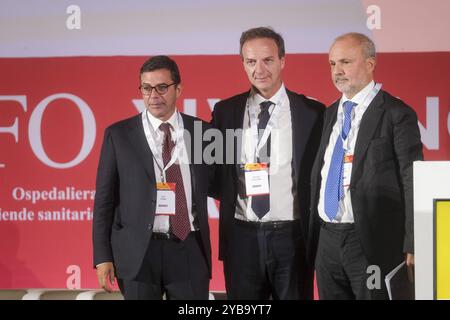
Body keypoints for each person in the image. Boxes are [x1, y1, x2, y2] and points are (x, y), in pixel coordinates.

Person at [210, 27, 324, 299]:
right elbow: (214, 175)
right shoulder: (225, 112)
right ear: (243, 64)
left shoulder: (312, 112)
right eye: (251, 61)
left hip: (292, 237)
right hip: (241, 238)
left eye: (268, 60)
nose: (259, 69)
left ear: (283, 60)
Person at [309, 33, 423, 300]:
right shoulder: (328, 114)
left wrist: (414, 242)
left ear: (371, 64)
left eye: (346, 62)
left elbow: (412, 180)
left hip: (370, 242)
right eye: (332, 64)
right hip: (327, 240)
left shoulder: (396, 114)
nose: (337, 71)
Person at [93, 55, 212, 300]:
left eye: (162, 87)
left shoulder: (203, 132)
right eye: (146, 88)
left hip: (188, 247)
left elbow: (222, 185)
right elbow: (104, 200)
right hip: (138, 251)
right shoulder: (118, 135)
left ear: (178, 89)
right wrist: (102, 256)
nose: (154, 95)